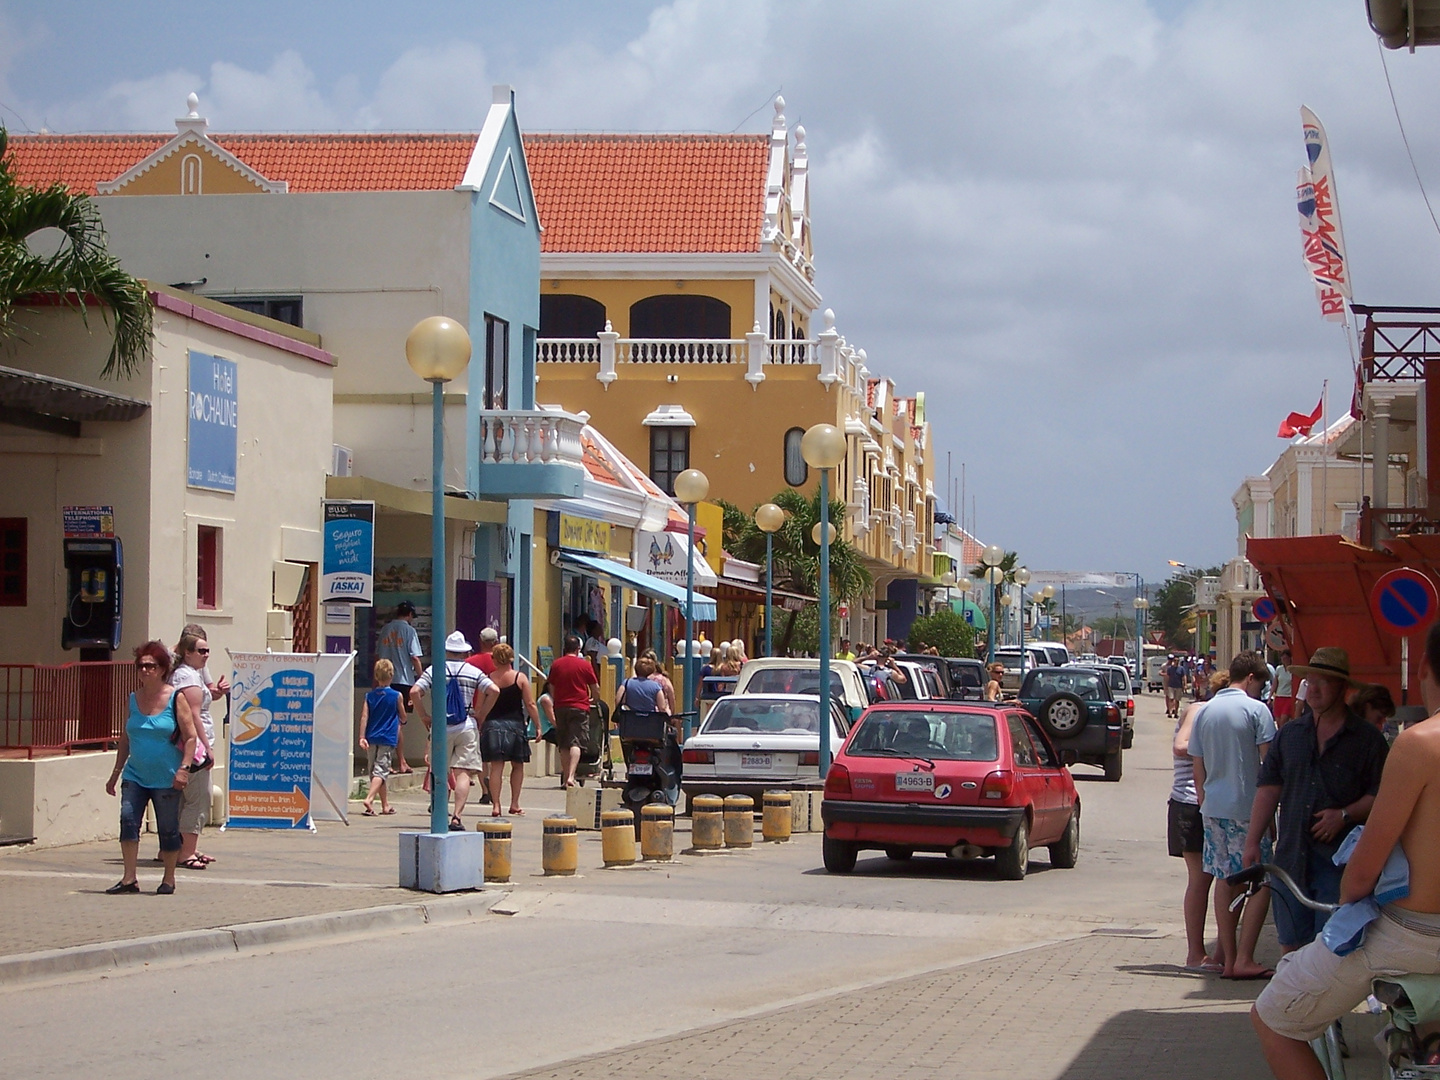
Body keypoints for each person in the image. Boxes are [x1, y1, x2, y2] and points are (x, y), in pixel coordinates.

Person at [1252, 620, 1440, 1079]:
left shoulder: (1418, 745)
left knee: (1273, 1018)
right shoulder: (1294, 735)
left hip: (1412, 934)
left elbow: (1360, 876)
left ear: (1424, 669)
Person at [1243, 648, 1388, 957]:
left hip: (1339, 863)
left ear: (1343, 688)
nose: (1314, 689)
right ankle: (1291, 1005)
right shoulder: (1290, 735)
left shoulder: (1367, 740)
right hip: (1291, 858)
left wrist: (1345, 814)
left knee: (1331, 949)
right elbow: (1269, 789)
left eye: (1324, 682)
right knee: (1291, 947)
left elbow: (1382, 796)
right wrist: (1253, 840)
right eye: (1310, 681)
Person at [1190, 650, 1275, 979]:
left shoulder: (1205, 711)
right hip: (1248, 806)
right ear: (1251, 678)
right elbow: (1269, 765)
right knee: (1262, 880)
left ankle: (1226, 958)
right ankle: (1245, 958)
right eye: (1260, 684)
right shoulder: (1257, 711)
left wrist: (1204, 801)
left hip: (1213, 807)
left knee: (1224, 878)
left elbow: (1197, 764)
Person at [104, 641, 198, 895]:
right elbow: (126, 738)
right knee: (128, 821)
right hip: (135, 774)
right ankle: (129, 878)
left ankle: (168, 879)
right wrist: (115, 773)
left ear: (162, 669)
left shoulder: (175, 698)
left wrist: (184, 769)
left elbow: (191, 737)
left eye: (151, 666)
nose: (145, 670)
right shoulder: (133, 699)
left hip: (167, 777)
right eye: (141, 666)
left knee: (167, 829)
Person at [1171, 670, 1230, 972]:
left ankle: (1222, 953)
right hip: (1191, 802)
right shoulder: (1199, 709)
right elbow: (1181, 746)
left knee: (1225, 878)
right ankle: (1196, 953)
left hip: (1213, 803)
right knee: (1201, 878)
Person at [411, 631, 497, 831]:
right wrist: (482, 714)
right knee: (463, 773)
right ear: (465, 653)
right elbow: (494, 690)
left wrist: (424, 715)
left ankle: (440, 811)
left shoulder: (435, 670)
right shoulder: (473, 671)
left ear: (446, 651)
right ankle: (457, 816)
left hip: (442, 725)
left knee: (439, 770)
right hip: (466, 725)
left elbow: (415, 691)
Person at [170, 630, 216, 870]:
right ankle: (185, 853)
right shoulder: (187, 677)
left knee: (185, 800)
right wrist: (206, 747)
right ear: (187, 653)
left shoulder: (191, 674)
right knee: (198, 799)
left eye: (208, 650)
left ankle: (181, 848)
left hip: (190, 745)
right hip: (195, 747)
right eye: (201, 650)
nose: (205, 655)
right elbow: (194, 716)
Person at [476, 643, 540, 816]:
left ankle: (496, 805)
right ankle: (514, 803)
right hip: (515, 724)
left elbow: (480, 706)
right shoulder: (520, 678)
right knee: (517, 766)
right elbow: (530, 704)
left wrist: (479, 722)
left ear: (494, 659)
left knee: (496, 767)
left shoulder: (487, 679)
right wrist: (538, 725)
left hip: (493, 724)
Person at [375, 601, 423, 773]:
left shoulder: (386, 629)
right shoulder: (410, 631)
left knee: (387, 721)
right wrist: (421, 679)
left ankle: (385, 760)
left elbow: (378, 654)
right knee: (398, 723)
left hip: (385, 679)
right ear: (409, 614)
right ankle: (400, 761)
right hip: (404, 680)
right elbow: (415, 657)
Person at [546, 634, 599, 789]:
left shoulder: (556, 664)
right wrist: (594, 700)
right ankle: (571, 776)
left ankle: (565, 776)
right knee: (576, 741)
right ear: (578, 649)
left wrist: (557, 699)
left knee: (563, 743)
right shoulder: (585, 665)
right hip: (580, 707)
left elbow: (551, 686)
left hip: (561, 707)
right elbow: (595, 687)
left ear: (565, 648)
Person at [359, 659, 402, 816]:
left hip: (372, 737)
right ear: (391, 675)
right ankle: (369, 799)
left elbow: (364, 717)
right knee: (381, 770)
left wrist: (362, 736)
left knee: (375, 771)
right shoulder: (397, 696)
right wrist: (402, 720)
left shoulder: (369, 696)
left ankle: (385, 805)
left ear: (376, 676)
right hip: (387, 737)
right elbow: (402, 714)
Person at [1272, 650, 1295, 724]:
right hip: (1279, 696)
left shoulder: (1293, 669)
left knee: (1283, 720)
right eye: (1282, 658)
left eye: (1286, 658)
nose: (1284, 660)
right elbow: (1275, 683)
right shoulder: (1279, 669)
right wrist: (1270, 696)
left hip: (1288, 697)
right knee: (1278, 721)